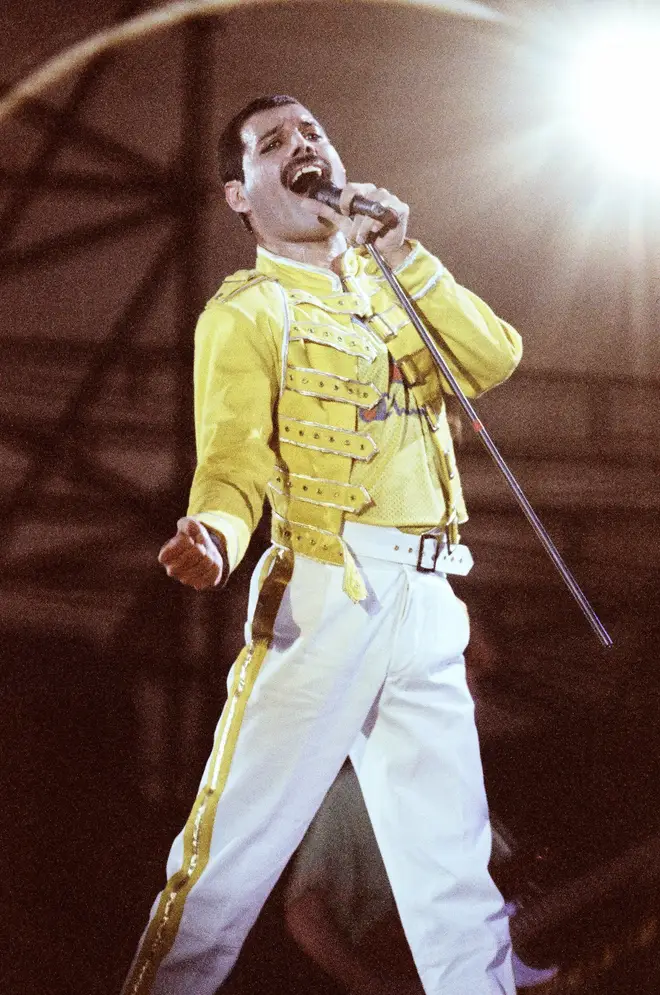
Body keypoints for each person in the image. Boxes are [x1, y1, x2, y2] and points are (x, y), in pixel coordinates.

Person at [122, 93, 523, 995]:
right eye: (272, 144)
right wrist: (217, 536)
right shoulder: (248, 311)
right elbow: (232, 462)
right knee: (228, 862)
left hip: (430, 598)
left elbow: (493, 358)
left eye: (312, 133)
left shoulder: (395, 284)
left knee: (456, 880)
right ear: (239, 194)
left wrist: (402, 252)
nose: (302, 146)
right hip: (329, 592)